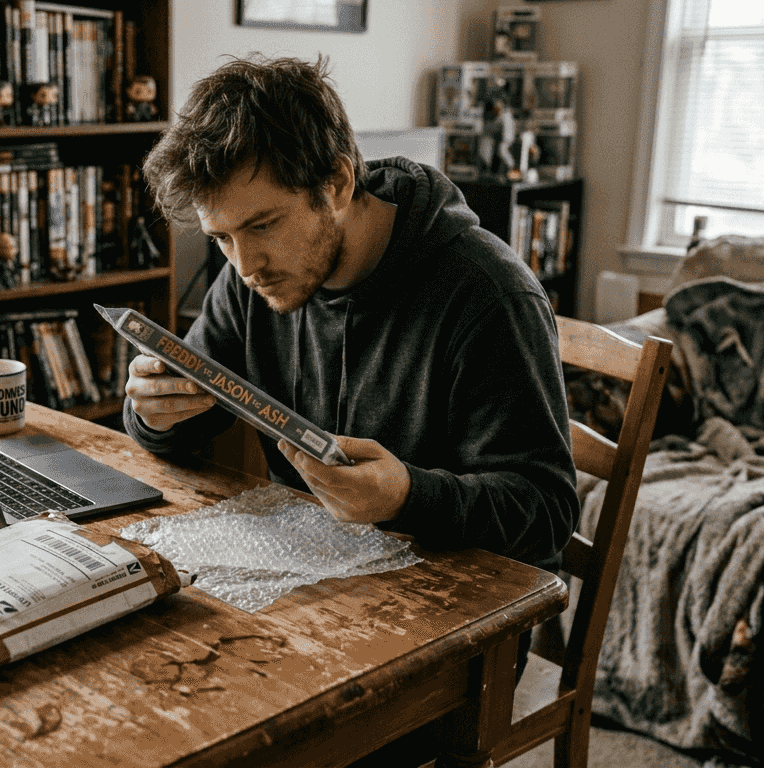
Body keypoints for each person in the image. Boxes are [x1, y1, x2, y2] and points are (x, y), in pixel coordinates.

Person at [125, 54, 577, 650]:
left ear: (337, 183)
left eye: (263, 226)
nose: (245, 264)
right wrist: (154, 414)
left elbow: (547, 514)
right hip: (309, 589)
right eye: (221, 237)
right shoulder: (250, 279)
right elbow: (184, 424)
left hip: (458, 627)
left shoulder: (488, 295)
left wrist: (408, 495)